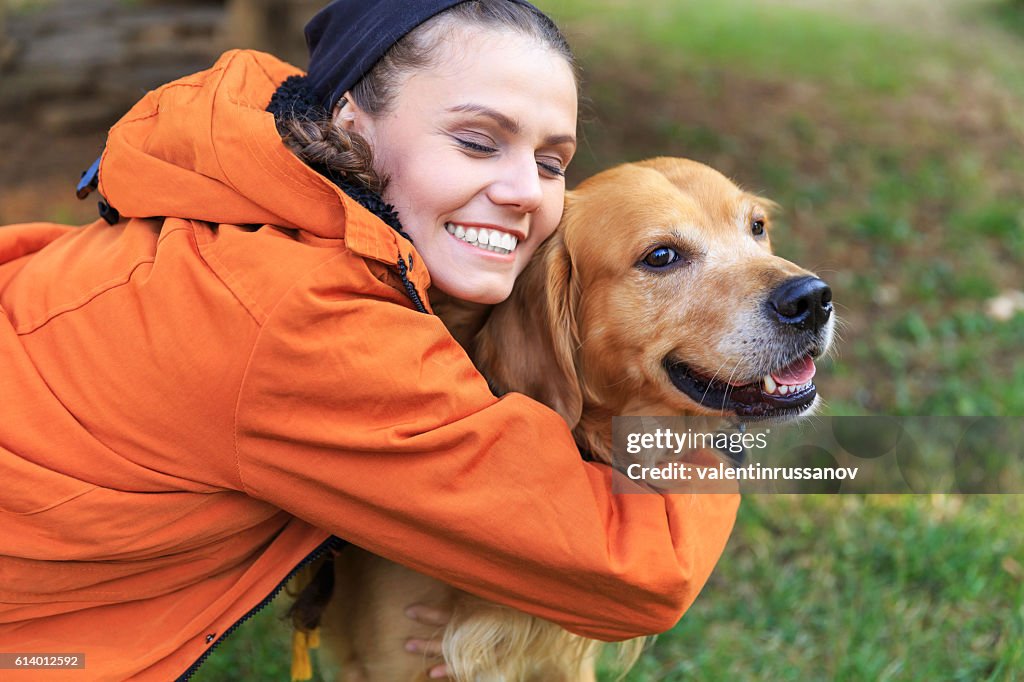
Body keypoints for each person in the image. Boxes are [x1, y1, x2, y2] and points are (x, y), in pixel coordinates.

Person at [0, 1, 739, 680]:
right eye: (477, 141)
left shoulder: (249, 199)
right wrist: (739, 414)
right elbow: (643, 569)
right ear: (352, 121)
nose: (523, 190)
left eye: (551, 161)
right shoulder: (306, 324)